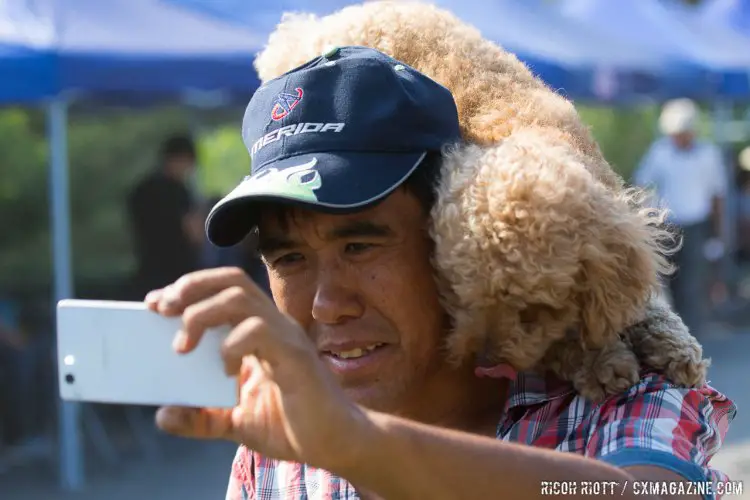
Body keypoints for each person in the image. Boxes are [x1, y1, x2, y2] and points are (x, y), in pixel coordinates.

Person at [146, 3, 735, 499]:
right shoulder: (276, 450)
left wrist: (361, 445)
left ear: (459, 242)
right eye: (289, 259)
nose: (326, 304)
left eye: (358, 244)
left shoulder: (614, 401)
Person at [634, 99, 728, 336]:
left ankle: (691, 336)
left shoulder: (709, 155)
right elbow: (642, 184)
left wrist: (717, 236)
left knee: (692, 286)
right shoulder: (660, 152)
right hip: (667, 227)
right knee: (667, 283)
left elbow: (717, 196)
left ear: (691, 131)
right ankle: (671, 334)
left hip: (696, 227)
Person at [127, 134, 205, 299]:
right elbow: (194, 233)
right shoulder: (179, 192)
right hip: (178, 275)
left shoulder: (140, 191)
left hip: (147, 272)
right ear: (182, 159)